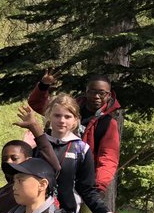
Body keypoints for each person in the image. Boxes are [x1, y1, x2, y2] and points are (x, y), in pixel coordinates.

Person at [16, 95, 123, 213]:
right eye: (57, 115)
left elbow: (87, 189)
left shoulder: (81, 149)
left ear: (75, 120)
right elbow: (19, 179)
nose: (62, 120)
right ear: (49, 116)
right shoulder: (36, 145)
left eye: (67, 117)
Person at [29, 71, 122, 202]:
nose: (96, 96)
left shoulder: (107, 123)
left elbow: (108, 157)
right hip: (49, 170)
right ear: (86, 91)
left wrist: (98, 187)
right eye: (92, 91)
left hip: (79, 179)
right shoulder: (70, 108)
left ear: (109, 95)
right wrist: (44, 85)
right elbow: (37, 104)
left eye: (102, 93)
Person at [0, 141, 34, 213]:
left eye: (14, 158)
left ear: (28, 160)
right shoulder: (3, 190)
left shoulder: (31, 190)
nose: (8, 161)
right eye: (4, 159)